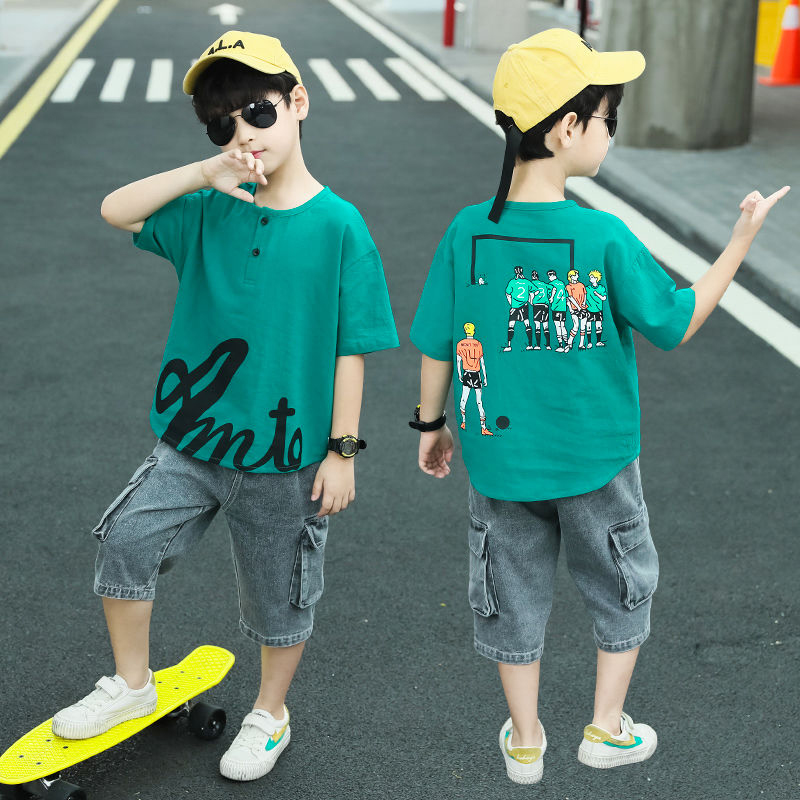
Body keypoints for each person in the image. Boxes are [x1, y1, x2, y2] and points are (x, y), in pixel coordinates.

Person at [409, 28, 789, 785]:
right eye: (607, 120)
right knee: (621, 580)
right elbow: (675, 321)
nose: (610, 133)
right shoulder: (602, 235)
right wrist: (741, 240)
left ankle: (525, 740)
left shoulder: (467, 230)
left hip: (499, 458)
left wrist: (431, 424)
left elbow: (439, 340)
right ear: (566, 129)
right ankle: (605, 727)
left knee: (509, 592)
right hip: (597, 459)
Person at [50, 31, 398, 782]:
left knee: (281, 598)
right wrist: (205, 172)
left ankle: (271, 713)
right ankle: (132, 686)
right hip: (193, 441)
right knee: (126, 541)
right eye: (221, 125)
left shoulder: (340, 226)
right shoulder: (209, 209)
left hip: (285, 458)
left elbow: (352, 347)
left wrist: (343, 451)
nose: (244, 133)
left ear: (298, 102)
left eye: (258, 111)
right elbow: (116, 209)